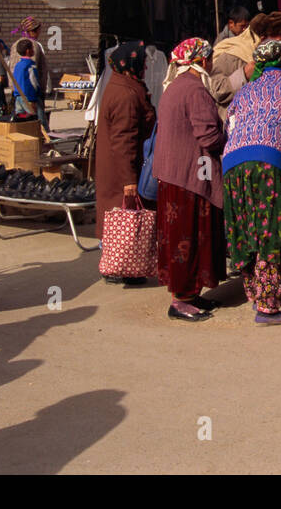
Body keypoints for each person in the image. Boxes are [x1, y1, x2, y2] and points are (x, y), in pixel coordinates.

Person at [222, 40, 281, 325]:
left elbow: (228, 125)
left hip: (232, 163)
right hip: (269, 161)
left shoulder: (244, 91)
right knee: (269, 229)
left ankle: (253, 293)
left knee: (244, 227)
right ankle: (268, 307)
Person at [150, 38, 226, 322]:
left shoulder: (174, 88)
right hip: (189, 177)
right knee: (188, 238)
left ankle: (189, 295)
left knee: (179, 237)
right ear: (202, 61)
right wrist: (228, 135)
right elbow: (207, 136)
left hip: (173, 174)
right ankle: (181, 300)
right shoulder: (195, 90)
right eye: (210, 58)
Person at [93, 40, 157, 274]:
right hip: (122, 171)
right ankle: (121, 268)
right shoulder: (126, 95)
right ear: (132, 64)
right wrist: (129, 179)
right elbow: (124, 141)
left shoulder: (122, 84)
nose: (146, 68)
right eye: (142, 63)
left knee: (117, 219)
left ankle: (121, 267)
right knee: (123, 220)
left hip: (116, 169)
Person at [11, 39, 43, 121]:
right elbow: (33, 82)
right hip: (28, 97)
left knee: (20, 120)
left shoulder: (18, 65)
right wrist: (34, 97)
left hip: (18, 96)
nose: (34, 50)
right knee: (36, 119)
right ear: (28, 51)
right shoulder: (30, 65)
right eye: (32, 48)